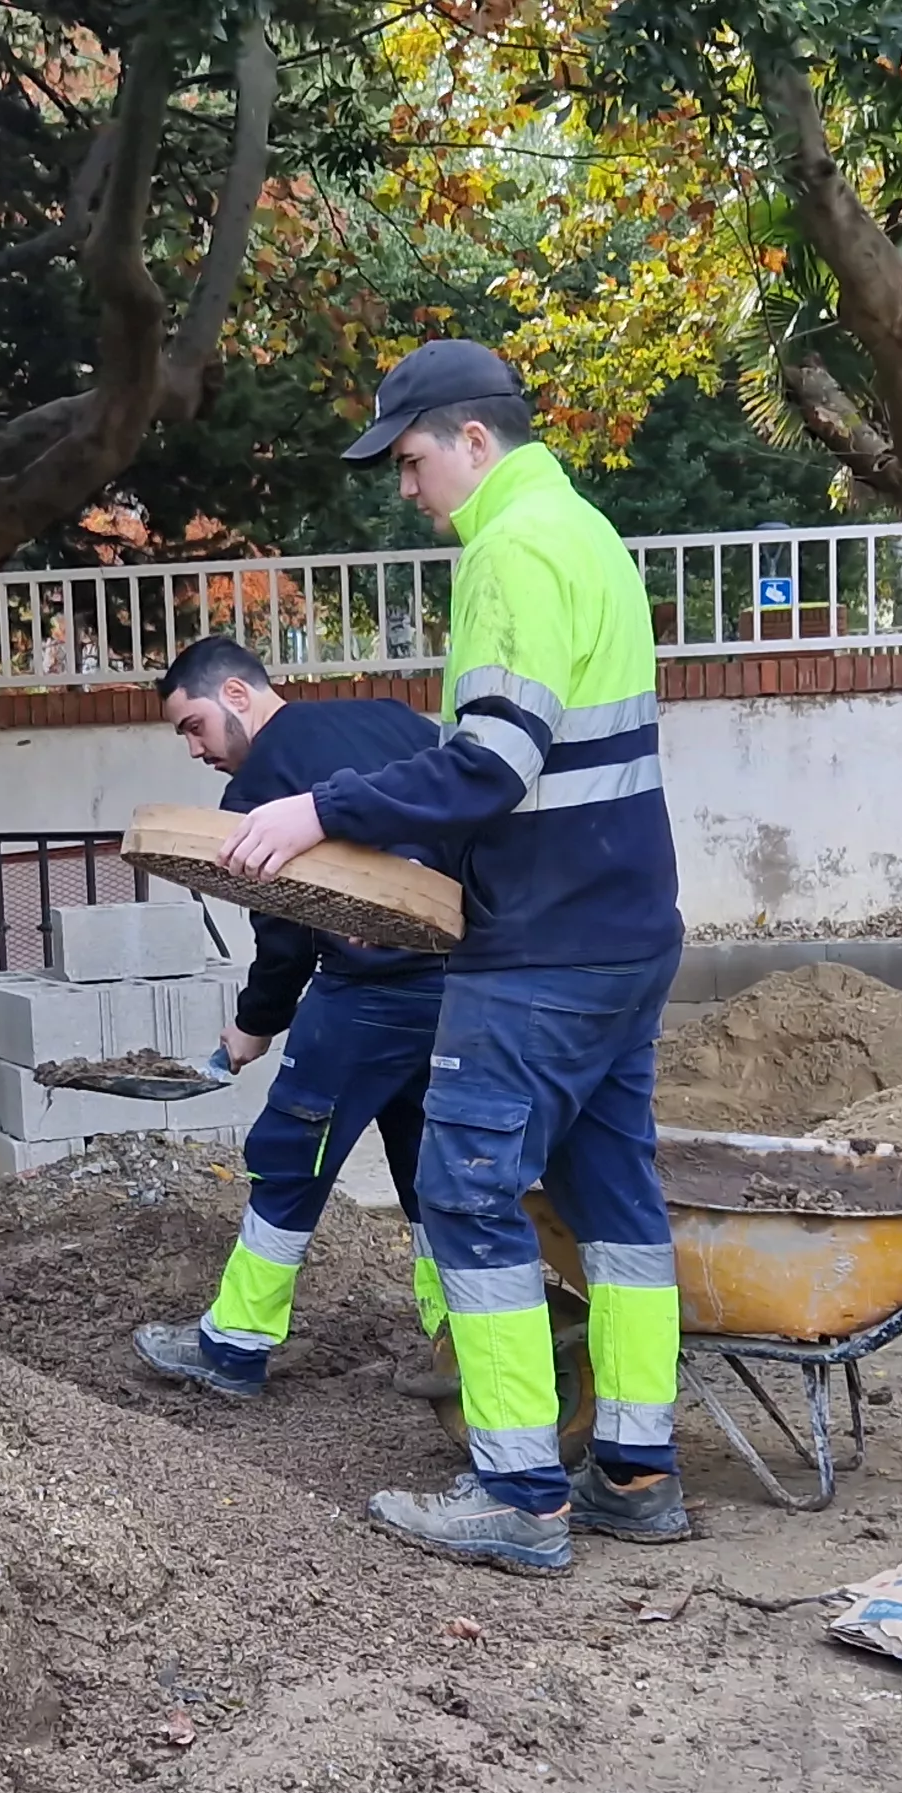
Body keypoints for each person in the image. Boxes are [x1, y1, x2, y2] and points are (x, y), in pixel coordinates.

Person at [217, 338, 688, 1575]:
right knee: (618, 1204)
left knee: (468, 1194)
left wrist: (318, 811)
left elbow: (492, 762)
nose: (406, 487)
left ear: (473, 440)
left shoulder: (510, 550)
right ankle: (637, 1470)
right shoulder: (587, 533)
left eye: (412, 459)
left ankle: (520, 1493)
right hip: (626, 931)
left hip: (538, 949)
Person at [128, 639, 453, 1400]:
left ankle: (233, 1346)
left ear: (238, 695)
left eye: (194, 725)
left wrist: (255, 1024)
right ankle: (459, 1340)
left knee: (289, 1157)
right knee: (432, 1169)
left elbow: (284, 931)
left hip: (365, 998)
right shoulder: (390, 718)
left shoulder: (259, 790)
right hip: (455, 986)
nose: (195, 749)